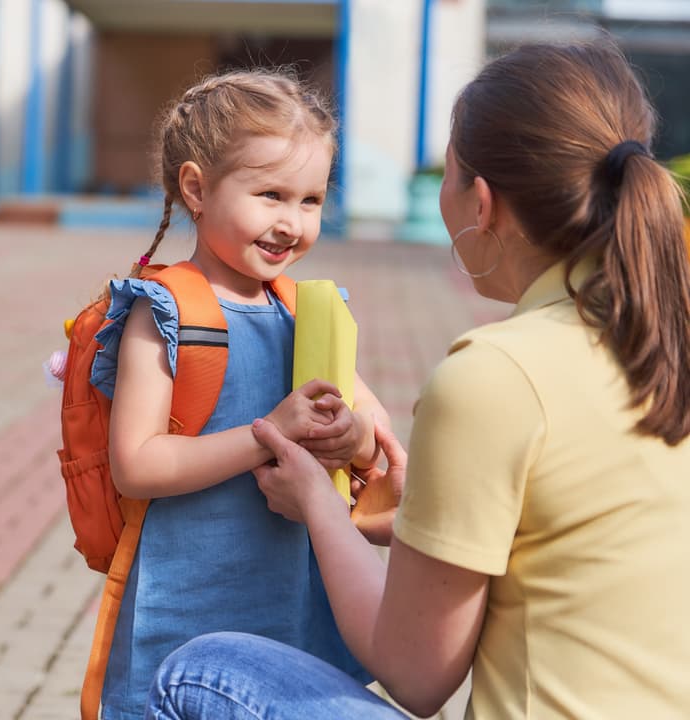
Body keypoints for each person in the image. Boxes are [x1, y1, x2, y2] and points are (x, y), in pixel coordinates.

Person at [145, 39, 690, 720]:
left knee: (201, 671)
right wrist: (416, 527)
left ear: (481, 202)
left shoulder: (498, 376)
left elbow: (416, 676)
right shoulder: (665, 338)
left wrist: (317, 501)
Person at [89, 68, 392, 720]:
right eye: (271, 195)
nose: (291, 222)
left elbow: (371, 427)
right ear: (196, 188)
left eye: (311, 201)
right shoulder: (164, 311)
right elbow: (136, 464)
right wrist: (269, 430)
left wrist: (355, 436)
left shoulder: (307, 310)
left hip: (294, 608)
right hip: (187, 613)